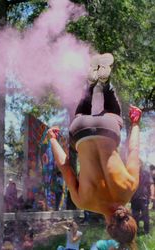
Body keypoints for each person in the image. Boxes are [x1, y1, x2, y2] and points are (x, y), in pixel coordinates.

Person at [48, 53, 142, 249]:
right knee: (81, 115)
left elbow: (133, 150)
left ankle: (105, 84)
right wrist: (52, 140)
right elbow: (65, 167)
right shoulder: (84, 202)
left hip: (107, 129)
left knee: (114, 114)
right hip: (80, 132)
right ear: (109, 227)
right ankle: (90, 86)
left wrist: (135, 123)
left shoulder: (129, 188)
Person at [131, 167, 153, 234]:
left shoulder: (145, 173)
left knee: (143, 215)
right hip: (137, 198)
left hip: (141, 198)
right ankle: (139, 231)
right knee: (137, 215)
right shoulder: (133, 172)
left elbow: (151, 185)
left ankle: (145, 232)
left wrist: (151, 195)